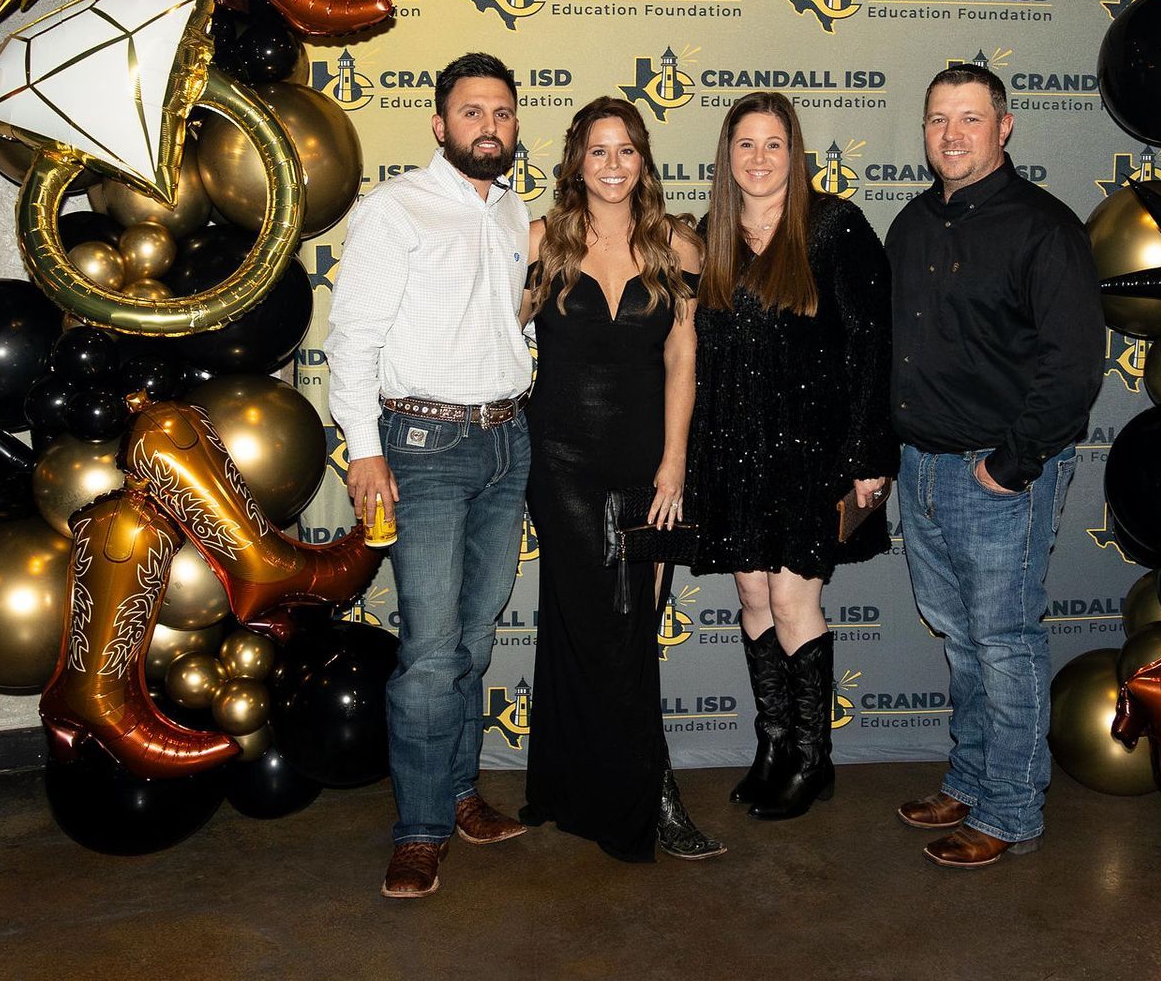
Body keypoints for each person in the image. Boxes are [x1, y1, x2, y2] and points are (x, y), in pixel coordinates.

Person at [322, 52, 535, 900]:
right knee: (427, 655)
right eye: (472, 112)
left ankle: (457, 794)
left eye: (504, 112)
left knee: (475, 643)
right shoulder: (393, 210)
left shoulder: (516, 212)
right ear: (441, 126)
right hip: (422, 449)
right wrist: (365, 450)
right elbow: (352, 341)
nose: (490, 125)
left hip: (505, 444)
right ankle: (417, 831)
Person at [884, 64, 1105, 869]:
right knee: (962, 642)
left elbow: (1075, 365)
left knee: (1004, 645)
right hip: (923, 470)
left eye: (969, 119)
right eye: (938, 119)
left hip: (996, 479)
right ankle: (971, 780)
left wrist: (1009, 469)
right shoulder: (910, 224)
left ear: (1003, 127)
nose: (951, 135)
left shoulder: (1045, 228)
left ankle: (1010, 811)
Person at [518, 96, 723, 862]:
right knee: (580, 626)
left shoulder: (679, 245)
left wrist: (674, 462)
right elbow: (501, 328)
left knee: (633, 631)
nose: (612, 166)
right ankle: (584, 788)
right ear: (577, 161)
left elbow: (682, 358)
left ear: (644, 159)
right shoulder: (544, 239)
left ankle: (650, 794)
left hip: (647, 460)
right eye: (597, 151)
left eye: (626, 150)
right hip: (560, 460)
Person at [687, 91, 897, 822]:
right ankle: (774, 745)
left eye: (773, 143)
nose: (759, 158)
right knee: (750, 598)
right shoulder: (709, 237)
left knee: (792, 599)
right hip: (734, 454)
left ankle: (814, 758)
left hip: (814, 457)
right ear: (727, 156)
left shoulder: (836, 228)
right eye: (745, 144)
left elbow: (874, 349)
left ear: (795, 152)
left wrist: (871, 456)